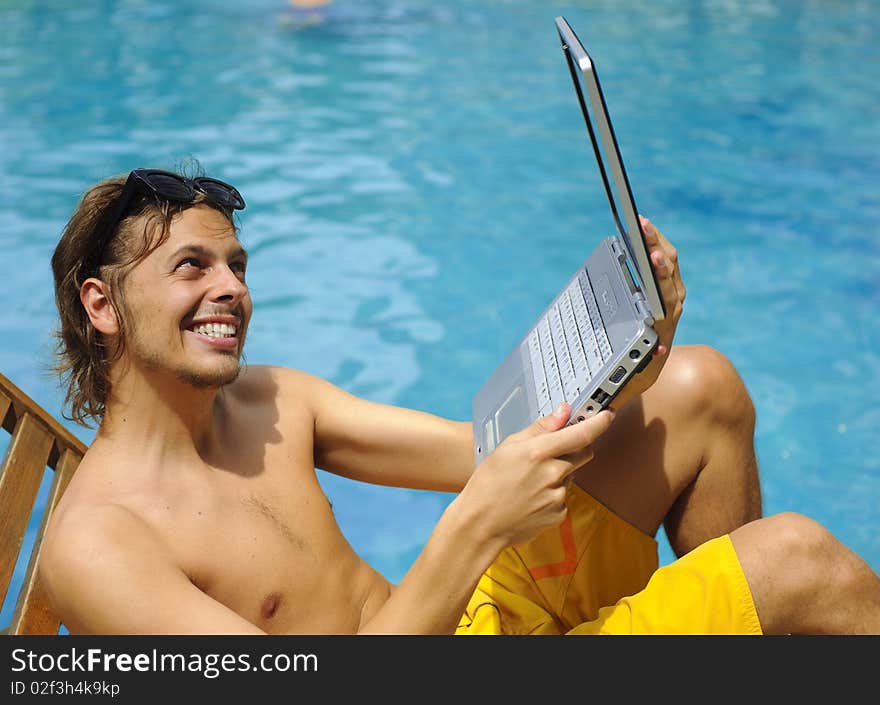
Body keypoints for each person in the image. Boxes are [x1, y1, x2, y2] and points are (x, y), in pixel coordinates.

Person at [41, 166, 880, 635]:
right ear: (101, 304)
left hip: (462, 631)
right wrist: (477, 521)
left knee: (702, 386)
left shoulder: (266, 402)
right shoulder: (100, 548)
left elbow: (484, 447)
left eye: (238, 266)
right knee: (801, 562)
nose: (232, 289)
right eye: (192, 267)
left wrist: (627, 351)